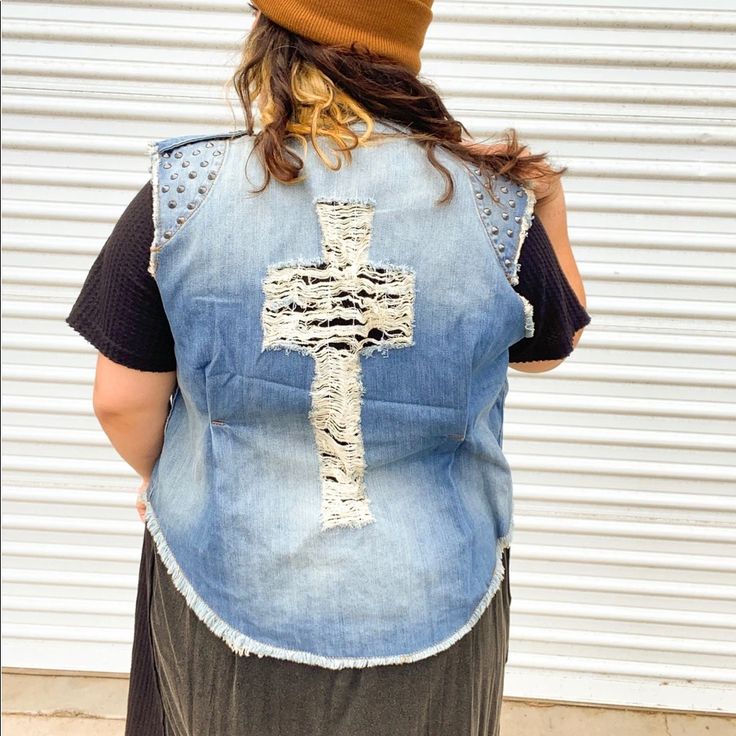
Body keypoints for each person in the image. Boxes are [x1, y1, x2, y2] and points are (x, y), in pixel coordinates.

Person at [65, 1, 592, 734]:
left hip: (224, 577)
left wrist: (176, 476)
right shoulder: (493, 203)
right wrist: (549, 208)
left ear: (271, 49)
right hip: (434, 584)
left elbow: (120, 400)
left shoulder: (182, 193)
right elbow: (547, 348)